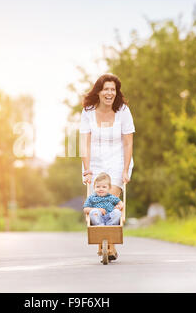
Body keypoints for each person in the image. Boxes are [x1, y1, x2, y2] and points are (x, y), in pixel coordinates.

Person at [80, 73, 135, 260]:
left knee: (110, 199)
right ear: (99, 92)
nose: (110, 93)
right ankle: (106, 243)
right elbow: (84, 142)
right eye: (106, 89)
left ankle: (108, 245)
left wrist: (125, 169)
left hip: (117, 160)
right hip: (94, 161)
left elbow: (128, 142)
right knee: (96, 200)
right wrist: (87, 169)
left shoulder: (123, 111)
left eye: (113, 89)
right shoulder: (88, 111)